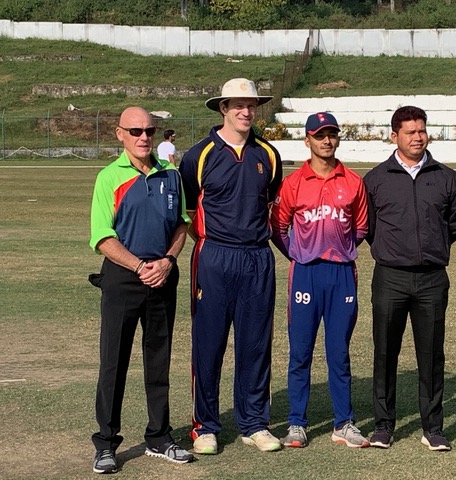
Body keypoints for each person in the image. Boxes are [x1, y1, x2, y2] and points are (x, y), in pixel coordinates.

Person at [178, 78, 283, 454]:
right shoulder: (198, 155)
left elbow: (270, 203)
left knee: (255, 344)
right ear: (223, 108)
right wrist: (213, 243)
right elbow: (189, 211)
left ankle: (254, 422)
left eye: (251, 105)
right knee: (209, 343)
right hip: (214, 256)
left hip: (257, 258)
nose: (245, 111)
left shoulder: (268, 155)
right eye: (237, 105)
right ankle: (204, 426)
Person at [88, 107, 193, 474]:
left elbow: (182, 224)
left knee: (158, 360)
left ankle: (160, 437)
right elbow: (102, 237)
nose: (144, 136)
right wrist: (138, 266)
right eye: (135, 130)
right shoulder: (108, 178)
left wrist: (166, 261)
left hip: (162, 276)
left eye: (150, 130)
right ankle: (105, 443)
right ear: (120, 134)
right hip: (123, 277)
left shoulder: (171, 175)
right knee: (113, 362)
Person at [363, 105, 456, 451]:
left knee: (432, 355)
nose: (418, 137)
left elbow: (454, 225)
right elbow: (370, 228)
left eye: (421, 130)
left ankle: (433, 428)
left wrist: (430, 250)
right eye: (410, 132)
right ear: (394, 136)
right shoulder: (375, 179)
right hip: (390, 277)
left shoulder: (447, 178)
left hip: (432, 279)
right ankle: (383, 425)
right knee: (384, 353)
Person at [270, 112, 369, 449]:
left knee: (338, 352)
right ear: (307, 140)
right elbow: (278, 227)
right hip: (306, 273)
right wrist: (299, 252)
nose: (327, 141)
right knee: (300, 352)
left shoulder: (354, 181)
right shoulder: (294, 183)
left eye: (332, 134)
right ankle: (297, 423)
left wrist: (337, 250)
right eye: (320, 135)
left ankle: (344, 422)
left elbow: (360, 229)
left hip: (341, 273)